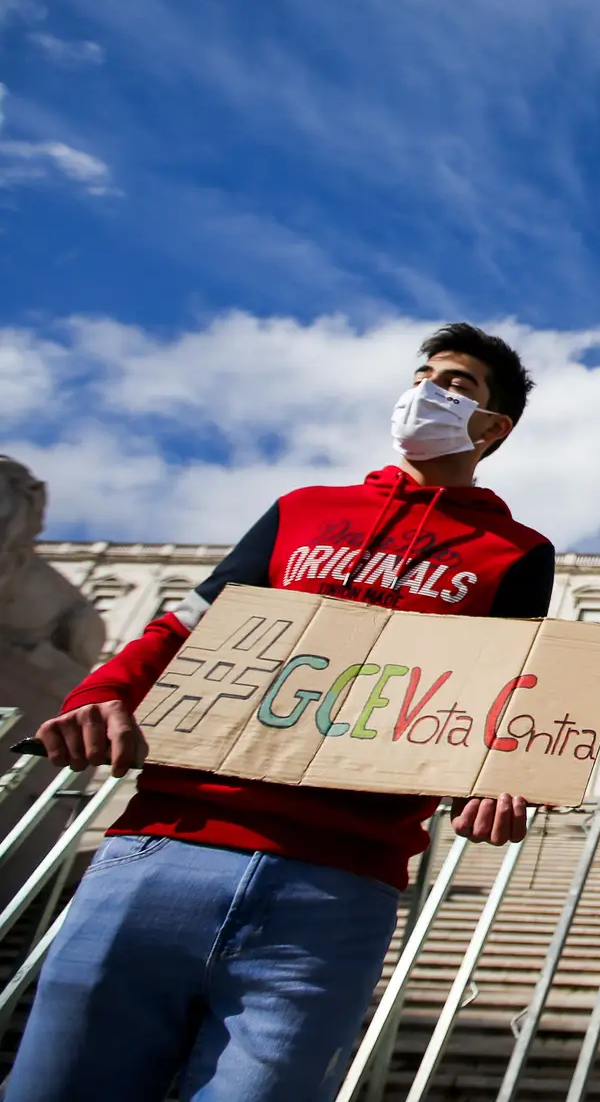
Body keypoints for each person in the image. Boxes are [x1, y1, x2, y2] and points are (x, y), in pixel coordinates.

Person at [11, 323, 555, 1102]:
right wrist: (102, 690)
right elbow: (189, 625)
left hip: (340, 882)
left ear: (492, 427)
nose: (426, 393)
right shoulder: (302, 509)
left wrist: (505, 776)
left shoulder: (514, 552)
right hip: (167, 844)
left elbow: (508, 689)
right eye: (423, 375)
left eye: (456, 384)